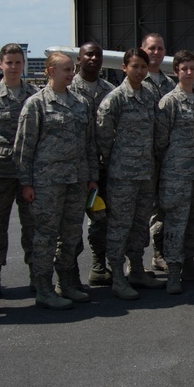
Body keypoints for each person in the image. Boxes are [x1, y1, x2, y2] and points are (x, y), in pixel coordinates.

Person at [15, 53, 99, 309]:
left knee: (71, 235)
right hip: (47, 184)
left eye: (72, 70)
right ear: (50, 71)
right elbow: (24, 147)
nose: (70, 74)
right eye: (65, 70)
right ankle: (43, 288)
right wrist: (26, 183)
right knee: (45, 237)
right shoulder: (36, 104)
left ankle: (67, 283)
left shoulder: (80, 103)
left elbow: (89, 144)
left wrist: (92, 177)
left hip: (76, 182)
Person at [95, 48, 161, 299]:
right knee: (119, 226)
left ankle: (136, 269)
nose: (140, 71)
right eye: (134, 66)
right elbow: (103, 138)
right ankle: (117, 275)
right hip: (122, 175)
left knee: (139, 225)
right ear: (124, 68)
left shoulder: (149, 96)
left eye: (143, 67)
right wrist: (118, 161)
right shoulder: (115, 99)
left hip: (146, 173)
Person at [155, 50, 194, 292]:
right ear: (176, 72)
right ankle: (173, 271)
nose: (189, 72)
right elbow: (160, 141)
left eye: (192, 68)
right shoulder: (169, 101)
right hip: (176, 174)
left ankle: (189, 264)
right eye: (184, 69)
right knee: (175, 224)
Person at [0, 43, 37, 301]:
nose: (14, 67)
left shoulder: (35, 95)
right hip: (0, 171)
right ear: (0, 64)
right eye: (9, 62)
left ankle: (37, 276)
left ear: (23, 64)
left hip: (28, 172)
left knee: (33, 227)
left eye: (18, 62)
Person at [69, 42, 115, 287]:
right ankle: (70, 273)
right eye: (89, 54)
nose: (94, 58)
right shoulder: (68, 88)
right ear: (79, 58)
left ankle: (98, 265)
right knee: (72, 222)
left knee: (100, 217)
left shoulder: (110, 90)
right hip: (75, 169)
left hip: (102, 166)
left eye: (98, 54)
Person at [139, 33, 173, 275]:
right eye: (151, 48)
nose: (156, 52)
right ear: (143, 49)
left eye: (160, 48)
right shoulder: (136, 82)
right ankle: (134, 263)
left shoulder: (170, 84)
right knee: (139, 211)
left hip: (166, 158)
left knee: (162, 209)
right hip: (139, 159)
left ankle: (159, 254)